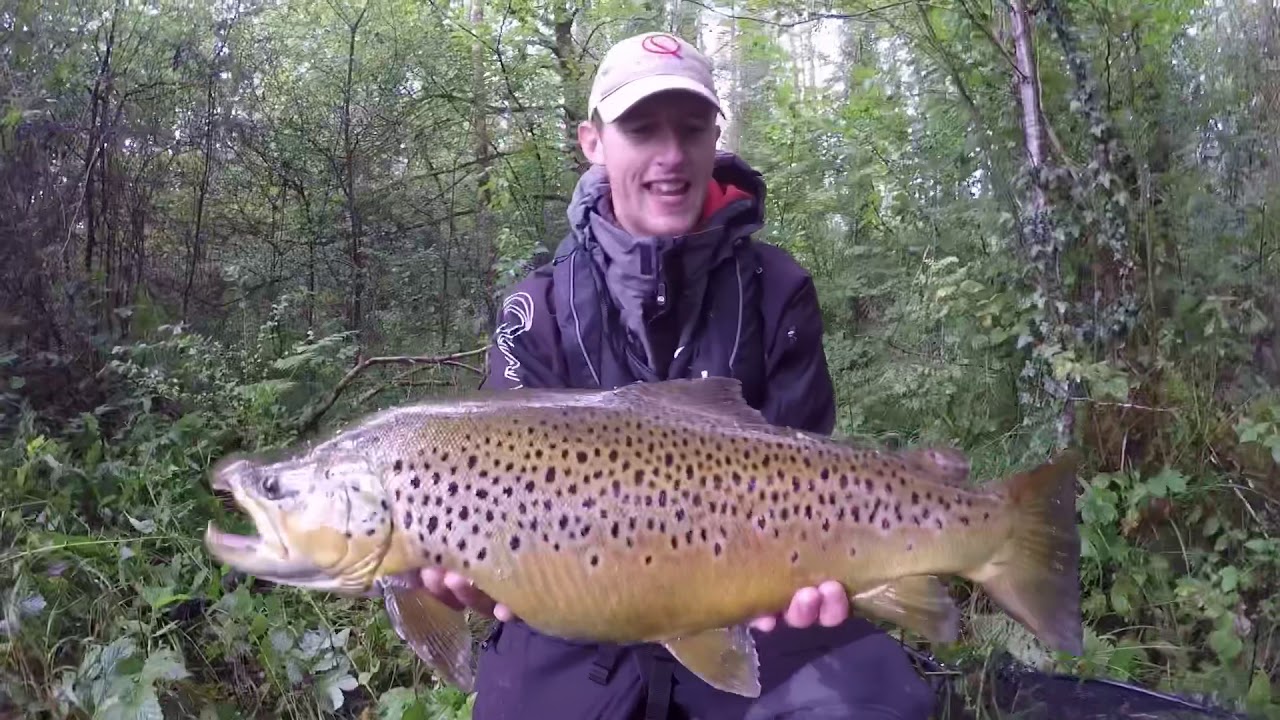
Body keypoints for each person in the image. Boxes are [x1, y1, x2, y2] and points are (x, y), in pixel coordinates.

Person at [418, 31, 937, 720]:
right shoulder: (535, 310)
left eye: (692, 131)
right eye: (641, 129)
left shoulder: (778, 289)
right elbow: (495, 491)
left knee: (877, 700)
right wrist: (476, 582)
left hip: (751, 598)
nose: (670, 156)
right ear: (593, 142)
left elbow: (807, 471)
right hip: (574, 618)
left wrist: (827, 569)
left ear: (715, 140)